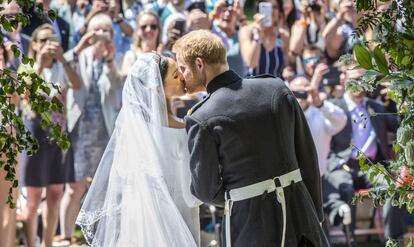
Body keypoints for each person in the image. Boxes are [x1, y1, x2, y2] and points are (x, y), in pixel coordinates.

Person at [173, 30, 329, 247]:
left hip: (250, 224)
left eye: (182, 68)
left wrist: (242, 194)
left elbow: (206, 190)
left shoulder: (201, 116)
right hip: (300, 213)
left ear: (199, 64)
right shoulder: (275, 88)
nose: (181, 76)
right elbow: (307, 154)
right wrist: (316, 214)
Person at [76, 52, 201, 246]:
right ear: (157, 88)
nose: (183, 77)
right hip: (175, 213)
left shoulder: (134, 130)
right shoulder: (182, 130)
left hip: (139, 215)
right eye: (176, 75)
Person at [58, 13, 124, 243]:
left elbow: (118, 86)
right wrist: (80, 45)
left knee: (104, 189)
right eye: (97, 30)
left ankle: (100, 237)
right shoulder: (80, 55)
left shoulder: (115, 57)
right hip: (80, 131)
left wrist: (109, 60)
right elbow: (60, 68)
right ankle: (66, 236)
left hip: (105, 132)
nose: (101, 36)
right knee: (74, 187)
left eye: (106, 31)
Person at [18, 23, 80, 247]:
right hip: (34, 135)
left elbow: (77, 84)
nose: (48, 45)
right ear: (33, 43)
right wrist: (40, 64)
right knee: (33, 200)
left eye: (51, 40)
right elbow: (25, 94)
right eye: (43, 40)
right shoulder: (27, 67)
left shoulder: (61, 67)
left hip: (58, 138)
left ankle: (48, 243)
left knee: (55, 193)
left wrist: (62, 59)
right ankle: (30, 243)